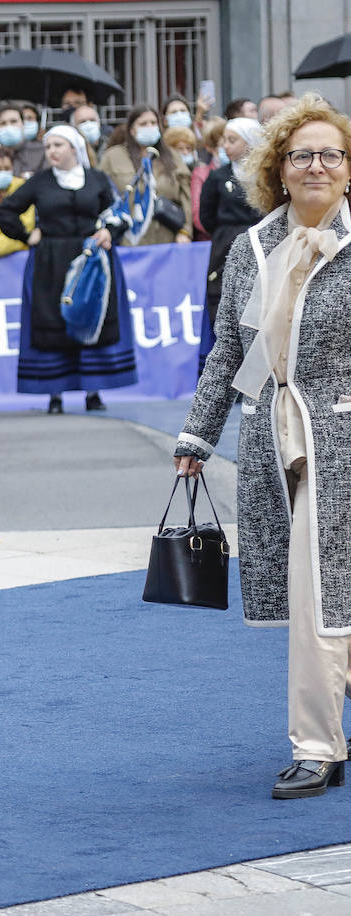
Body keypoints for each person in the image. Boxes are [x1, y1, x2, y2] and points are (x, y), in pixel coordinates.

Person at [174, 94, 351, 800]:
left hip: (342, 432)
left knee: (328, 591)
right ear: (277, 169)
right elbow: (230, 351)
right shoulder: (251, 248)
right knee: (313, 592)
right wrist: (197, 432)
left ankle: (319, 741)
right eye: (301, 154)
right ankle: (319, 741)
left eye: (331, 154)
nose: (317, 165)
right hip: (273, 439)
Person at [0, 125, 138, 413]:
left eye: (58, 145)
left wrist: (109, 231)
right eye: (49, 147)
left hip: (91, 258)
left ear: (74, 148)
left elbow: (119, 214)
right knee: (54, 319)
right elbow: (6, 211)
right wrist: (26, 236)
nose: (52, 152)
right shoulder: (40, 182)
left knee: (91, 315)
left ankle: (93, 391)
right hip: (51, 259)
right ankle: (55, 394)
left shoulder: (97, 179)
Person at [199, 117, 263, 334]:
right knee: (223, 294)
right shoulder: (218, 177)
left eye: (232, 140)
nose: (226, 145)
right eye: (224, 140)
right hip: (224, 245)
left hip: (260, 242)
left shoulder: (266, 175)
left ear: (250, 141)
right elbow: (206, 216)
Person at [99, 105, 193, 245]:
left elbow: (186, 198)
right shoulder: (112, 157)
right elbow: (101, 196)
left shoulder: (173, 157)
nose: (149, 127)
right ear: (132, 130)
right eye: (143, 124)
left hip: (167, 240)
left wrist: (185, 231)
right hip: (126, 242)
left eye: (153, 123)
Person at [190, 118, 227, 239]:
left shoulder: (242, 171)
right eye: (220, 145)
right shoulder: (201, 174)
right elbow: (198, 216)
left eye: (230, 141)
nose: (226, 148)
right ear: (209, 147)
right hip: (212, 241)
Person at [15, 101, 47, 176]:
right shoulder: (9, 149)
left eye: (30, 118)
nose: (26, 122)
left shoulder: (46, 148)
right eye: (22, 119)